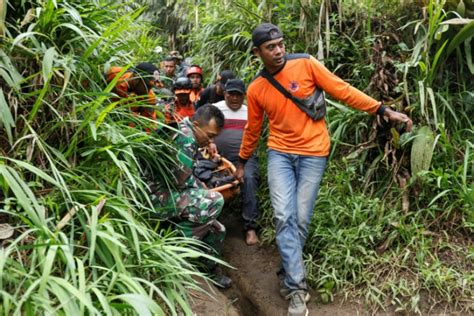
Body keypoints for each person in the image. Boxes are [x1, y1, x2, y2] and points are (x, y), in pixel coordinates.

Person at [235, 23, 413, 316]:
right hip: (279, 154)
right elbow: (253, 129)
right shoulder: (256, 88)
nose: (278, 50)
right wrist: (242, 161)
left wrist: (382, 109)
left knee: (300, 219)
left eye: (280, 44)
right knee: (283, 216)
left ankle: (287, 271)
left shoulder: (305, 63)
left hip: (314, 152)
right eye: (271, 47)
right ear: (257, 52)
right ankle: (296, 289)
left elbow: (342, 90)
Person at [149, 104, 232, 288]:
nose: (210, 141)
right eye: (209, 136)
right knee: (214, 201)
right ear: (196, 124)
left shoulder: (186, 130)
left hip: (168, 192)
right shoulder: (185, 138)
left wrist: (200, 187)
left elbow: (184, 178)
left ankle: (209, 270)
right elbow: (180, 181)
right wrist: (203, 190)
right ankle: (173, 253)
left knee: (218, 229)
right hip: (154, 197)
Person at [213, 79, 260, 245]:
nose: (234, 98)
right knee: (210, 182)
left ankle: (250, 227)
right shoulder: (216, 109)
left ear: (244, 96)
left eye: (238, 95)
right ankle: (211, 224)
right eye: (230, 94)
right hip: (219, 159)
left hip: (245, 158)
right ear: (224, 94)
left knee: (249, 180)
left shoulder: (250, 111)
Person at [106, 62, 160, 130]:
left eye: (151, 87)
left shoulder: (149, 98)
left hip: (121, 125)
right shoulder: (114, 73)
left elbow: (149, 124)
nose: (148, 91)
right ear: (136, 77)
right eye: (147, 86)